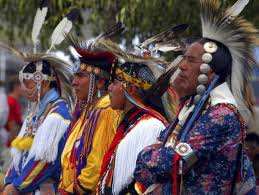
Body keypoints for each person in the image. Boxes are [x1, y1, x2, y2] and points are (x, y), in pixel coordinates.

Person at [133, 0, 257, 194]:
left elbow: (174, 162)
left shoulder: (222, 116)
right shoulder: (192, 109)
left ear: (209, 71)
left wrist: (144, 155)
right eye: (183, 58)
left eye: (190, 60)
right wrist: (152, 159)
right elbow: (149, 167)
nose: (181, 65)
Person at [96, 40, 169, 194]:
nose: (108, 88)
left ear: (131, 89)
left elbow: (144, 184)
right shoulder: (131, 124)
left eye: (114, 83)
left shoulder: (151, 125)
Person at [59, 23, 124, 194]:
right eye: (74, 76)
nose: (74, 82)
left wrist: (72, 190)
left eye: (80, 76)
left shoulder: (106, 110)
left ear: (101, 82)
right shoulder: (86, 111)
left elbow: (95, 167)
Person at [5, 79, 23, 147]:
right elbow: (11, 123)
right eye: (23, 86)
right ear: (16, 87)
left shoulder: (16, 102)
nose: (25, 89)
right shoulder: (10, 101)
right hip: (10, 143)